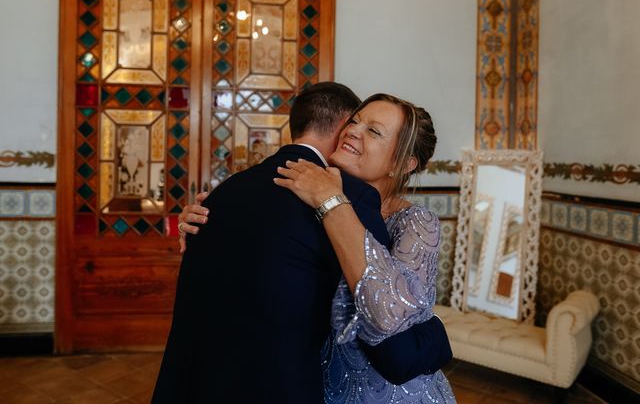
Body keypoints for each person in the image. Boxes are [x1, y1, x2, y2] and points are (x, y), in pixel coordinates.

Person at [152, 83, 452, 403]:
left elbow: (395, 338)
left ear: (402, 164)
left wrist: (439, 336)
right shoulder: (300, 192)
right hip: (316, 380)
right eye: (354, 121)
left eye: (374, 131)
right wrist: (207, 227)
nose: (352, 131)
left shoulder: (410, 220)